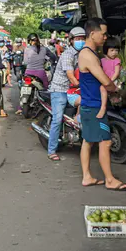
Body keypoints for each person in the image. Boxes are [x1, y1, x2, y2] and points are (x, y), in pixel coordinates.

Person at [77, 18, 126, 191]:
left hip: (89, 104)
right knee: (105, 142)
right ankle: (109, 179)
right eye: (104, 33)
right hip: (94, 107)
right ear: (92, 34)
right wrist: (116, 89)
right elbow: (105, 81)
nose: (106, 37)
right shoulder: (88, 55)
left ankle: (87, 177)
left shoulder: (90, 54)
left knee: (88, 141)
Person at [46, 27, 86, 162]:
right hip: (60, 89)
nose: (80, 41)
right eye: (77, 39)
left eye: (82, 39)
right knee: (57, 119)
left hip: (73, 89)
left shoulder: (83, 54)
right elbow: (71, 76)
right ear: (71, 41)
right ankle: (51, 150)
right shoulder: (68, 55)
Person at [99, 37, 122, 117]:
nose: (114, 53)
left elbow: (116, 72)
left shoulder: (117, 60)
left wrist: (110, 81)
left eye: (116, 50)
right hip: (105, 81)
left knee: (114, 98)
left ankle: (113, 110)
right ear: (106, 50)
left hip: (113, 81)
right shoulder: (102, 60)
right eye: (112, 50)